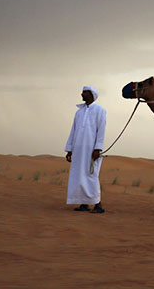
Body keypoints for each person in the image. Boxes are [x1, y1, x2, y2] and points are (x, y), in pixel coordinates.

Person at [65, 85, 107, 213]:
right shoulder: (79, 112)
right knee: (79, 176)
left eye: (85, 92)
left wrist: (97, 148)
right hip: (78, 150)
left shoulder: (100, 110)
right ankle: (84, 204)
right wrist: (70, 149)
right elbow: (73, 130)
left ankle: (98, 205)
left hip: (91, 149)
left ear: (92, 94)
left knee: (91, 175)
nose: (82, 94)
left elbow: (101, 130)